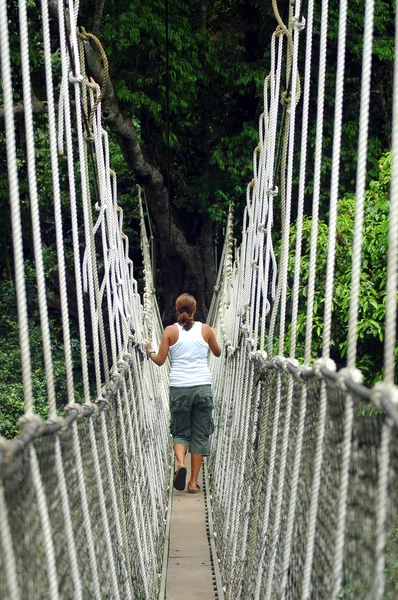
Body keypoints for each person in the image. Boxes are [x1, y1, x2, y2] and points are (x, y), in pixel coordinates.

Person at [145, 293, 221, 493]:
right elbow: (218, 352)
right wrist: (213, 334)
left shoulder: (170, 331)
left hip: (179, 389)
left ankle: (180, 464)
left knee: (180, 432)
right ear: (194, 310)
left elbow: (160, 360)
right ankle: (194, 483)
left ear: (177, 310)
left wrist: (149, 351)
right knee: (200, 435)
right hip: (203, 387)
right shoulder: (205, 330)